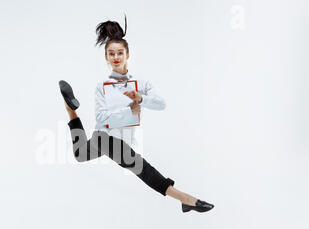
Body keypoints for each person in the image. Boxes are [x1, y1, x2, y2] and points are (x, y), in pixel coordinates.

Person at [58, 15, 214, 213]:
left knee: (80, 154)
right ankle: (186, 199)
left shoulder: (141, 83)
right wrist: (129, 110)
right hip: (105, 137)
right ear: (106, 57)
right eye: (111, 54)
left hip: (121, 139)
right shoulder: (102, 87)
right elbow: (101, 119)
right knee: (141, 167)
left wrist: (141, 99)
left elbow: (161, 104)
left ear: (127, 54)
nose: (116, 57)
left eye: (120, 53)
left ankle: (69, 108)